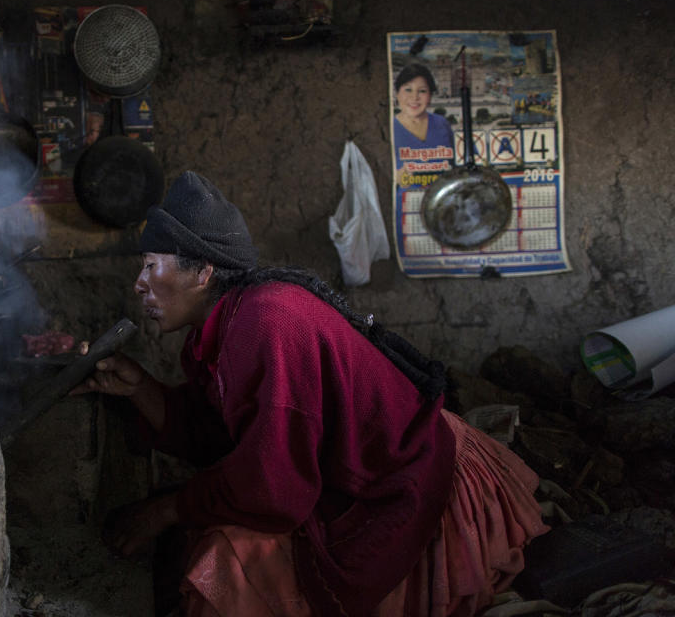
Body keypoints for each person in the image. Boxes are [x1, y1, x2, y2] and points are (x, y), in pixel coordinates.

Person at [72, 171, 548, 617]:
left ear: (203, 274)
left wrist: (166, 509)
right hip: (357, 474)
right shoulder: (215, 334)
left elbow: (274, 489)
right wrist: (140, 388)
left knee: (224, 557)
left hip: (413, 476)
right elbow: (222, 435)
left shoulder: (267, 322)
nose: (139, 285)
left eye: (151, 266)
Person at [392, 63, 455, 189]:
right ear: (397, 94)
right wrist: (395, 178)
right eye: (408, 90)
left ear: (430, 96)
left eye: (422, 91)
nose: (414, 97)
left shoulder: (442, 124)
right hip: (404, 204)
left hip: (441, 204)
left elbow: (456, 166)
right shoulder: (390, 128)